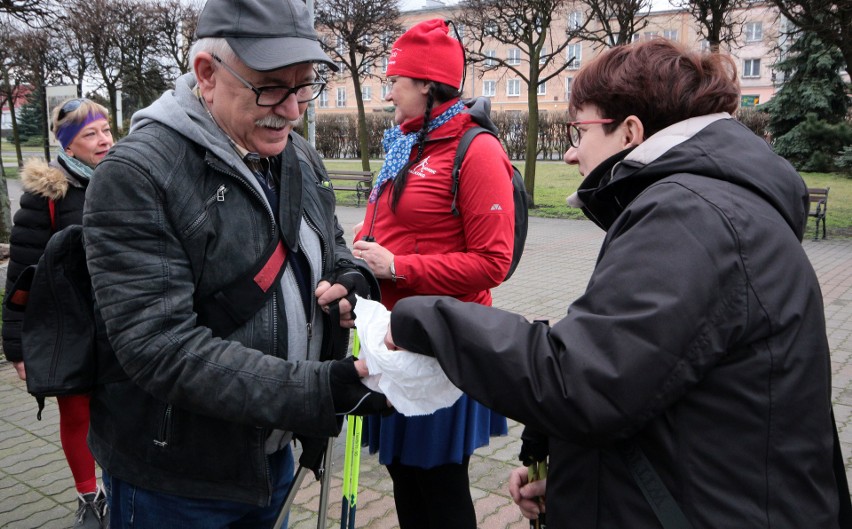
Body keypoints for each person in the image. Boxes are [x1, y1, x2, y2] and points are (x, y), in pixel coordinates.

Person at [385, 39, 844, 527]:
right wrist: (576, 483)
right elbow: (654, 383)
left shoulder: (690, 215)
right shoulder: (707, 203)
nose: (569, 153)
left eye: (578, 130)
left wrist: (422, 317)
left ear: (629, 131)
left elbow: (582, 382)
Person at [81, 0, 387, 527]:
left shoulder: (298, 155)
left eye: (304, 85)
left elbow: (330, 243)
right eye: (270, 86)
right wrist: (320, 389)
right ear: (207, 74)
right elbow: (159, 348)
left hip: (273, 461)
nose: (293, 110)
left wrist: (350, 279)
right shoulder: (138, 174)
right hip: (175, 483)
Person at [352, 19, 515, 529]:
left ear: (426, 83)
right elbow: (382, 221)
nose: (388, 90)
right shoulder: (405, 141)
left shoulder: (476, 148)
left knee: (439, 485)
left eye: (394, 78)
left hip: (443, 343)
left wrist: (400, 266)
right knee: (404, 475)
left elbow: (494, 262)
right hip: (394, 337)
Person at [2, 97, 113, 528]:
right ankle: (89, 496)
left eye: (106, 129)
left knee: (125, 409)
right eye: (90, 134)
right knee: (77, 413)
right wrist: (16, 345)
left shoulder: (129, 177)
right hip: (70, 325)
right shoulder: (47, 194)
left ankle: (122, 485)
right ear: (68, 144)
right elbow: (22, 275)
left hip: (121, 320)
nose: (103, 139)